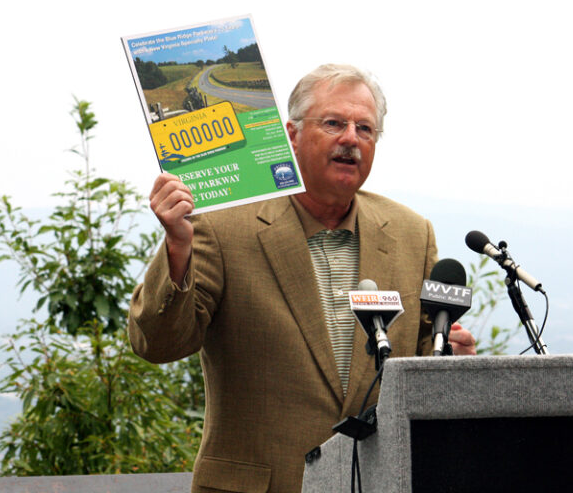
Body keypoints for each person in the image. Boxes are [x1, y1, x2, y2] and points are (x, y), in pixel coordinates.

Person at [128, 64, 476, 492]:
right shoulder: (222, 225)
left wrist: (451, 362)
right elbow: (158, 343)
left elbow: (421, 367)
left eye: (365, 129)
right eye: (333, 123)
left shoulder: (410, 234)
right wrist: (178, 248)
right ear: (290, 134)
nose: (351, 138)